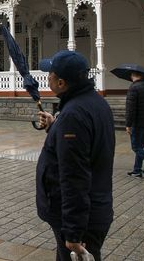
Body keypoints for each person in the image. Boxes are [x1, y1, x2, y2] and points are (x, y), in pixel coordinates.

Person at [35, 50, 115, 261]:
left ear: (61, 83)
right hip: (95, 207)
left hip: (81, 217)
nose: (47, 77)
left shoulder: (73, 115)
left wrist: (73, 231)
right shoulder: (95, 103)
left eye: (50, 74)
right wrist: (56, 125)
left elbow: (74, 176)